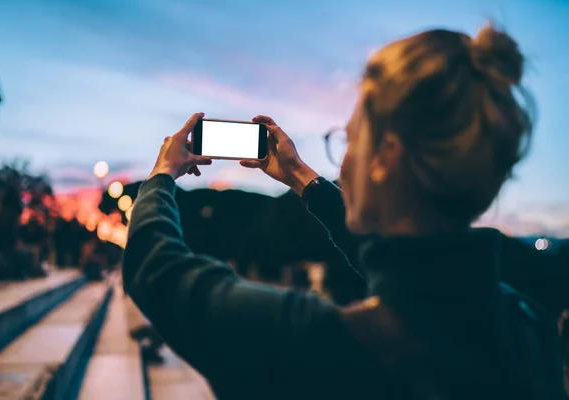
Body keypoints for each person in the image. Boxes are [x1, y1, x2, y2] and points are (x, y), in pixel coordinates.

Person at [123, 24, 567, 399]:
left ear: (385, 157)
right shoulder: (531, 330)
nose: (343, 161)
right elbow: (405, 265)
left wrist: (161, 176)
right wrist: (298, 175)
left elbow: (156, 269)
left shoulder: (318, 347)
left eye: (351, 139)